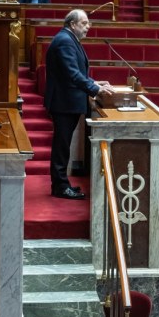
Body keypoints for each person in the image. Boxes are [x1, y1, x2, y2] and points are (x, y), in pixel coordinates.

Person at [44, 10, 114, 199]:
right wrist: (95, 89)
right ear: (72, 24)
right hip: (63, 103)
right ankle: (60, 186)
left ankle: (62, 184)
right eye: (84, 23)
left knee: (63, 144)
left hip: (66, 102)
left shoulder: (67, 39)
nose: (88, 26)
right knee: (62, 145)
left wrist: (94, 83)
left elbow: (76, 73)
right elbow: (72, 74)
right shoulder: (65, 41)